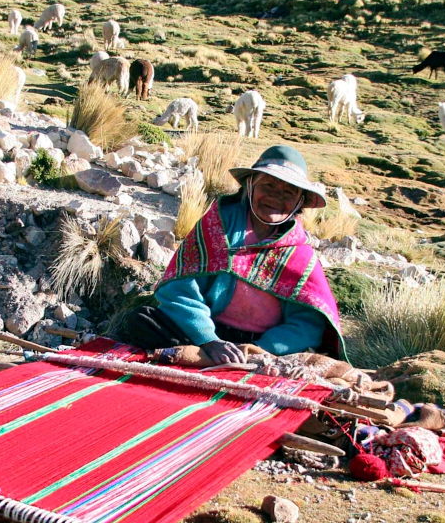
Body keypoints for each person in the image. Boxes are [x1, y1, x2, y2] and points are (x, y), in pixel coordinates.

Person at [124, 145, 345, 364]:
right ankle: (214, 359)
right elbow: (180, 289)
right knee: (141, 319)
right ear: (250, 187)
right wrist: (209, 340)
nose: (276, 197)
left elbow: (308, 323)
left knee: (306, 357)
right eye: (268, 186)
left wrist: (259, 350)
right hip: (206, 331)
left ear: (300, 202)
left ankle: (208, 361)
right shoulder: (217, 226)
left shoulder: (299, 253)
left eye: (288, 192)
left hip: (262, 346)